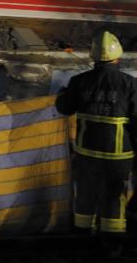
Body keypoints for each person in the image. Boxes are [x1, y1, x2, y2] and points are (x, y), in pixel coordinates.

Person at [56, 31, 137, 254]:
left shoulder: (78, 82)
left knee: (85, 194)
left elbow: (64, 108)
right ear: (117, 56)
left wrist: (63, 95)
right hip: (118, 155)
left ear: (93, 56)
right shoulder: (130, 84)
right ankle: (112, 244)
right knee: (114, 197)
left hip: (87, 153)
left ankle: (81, 242)